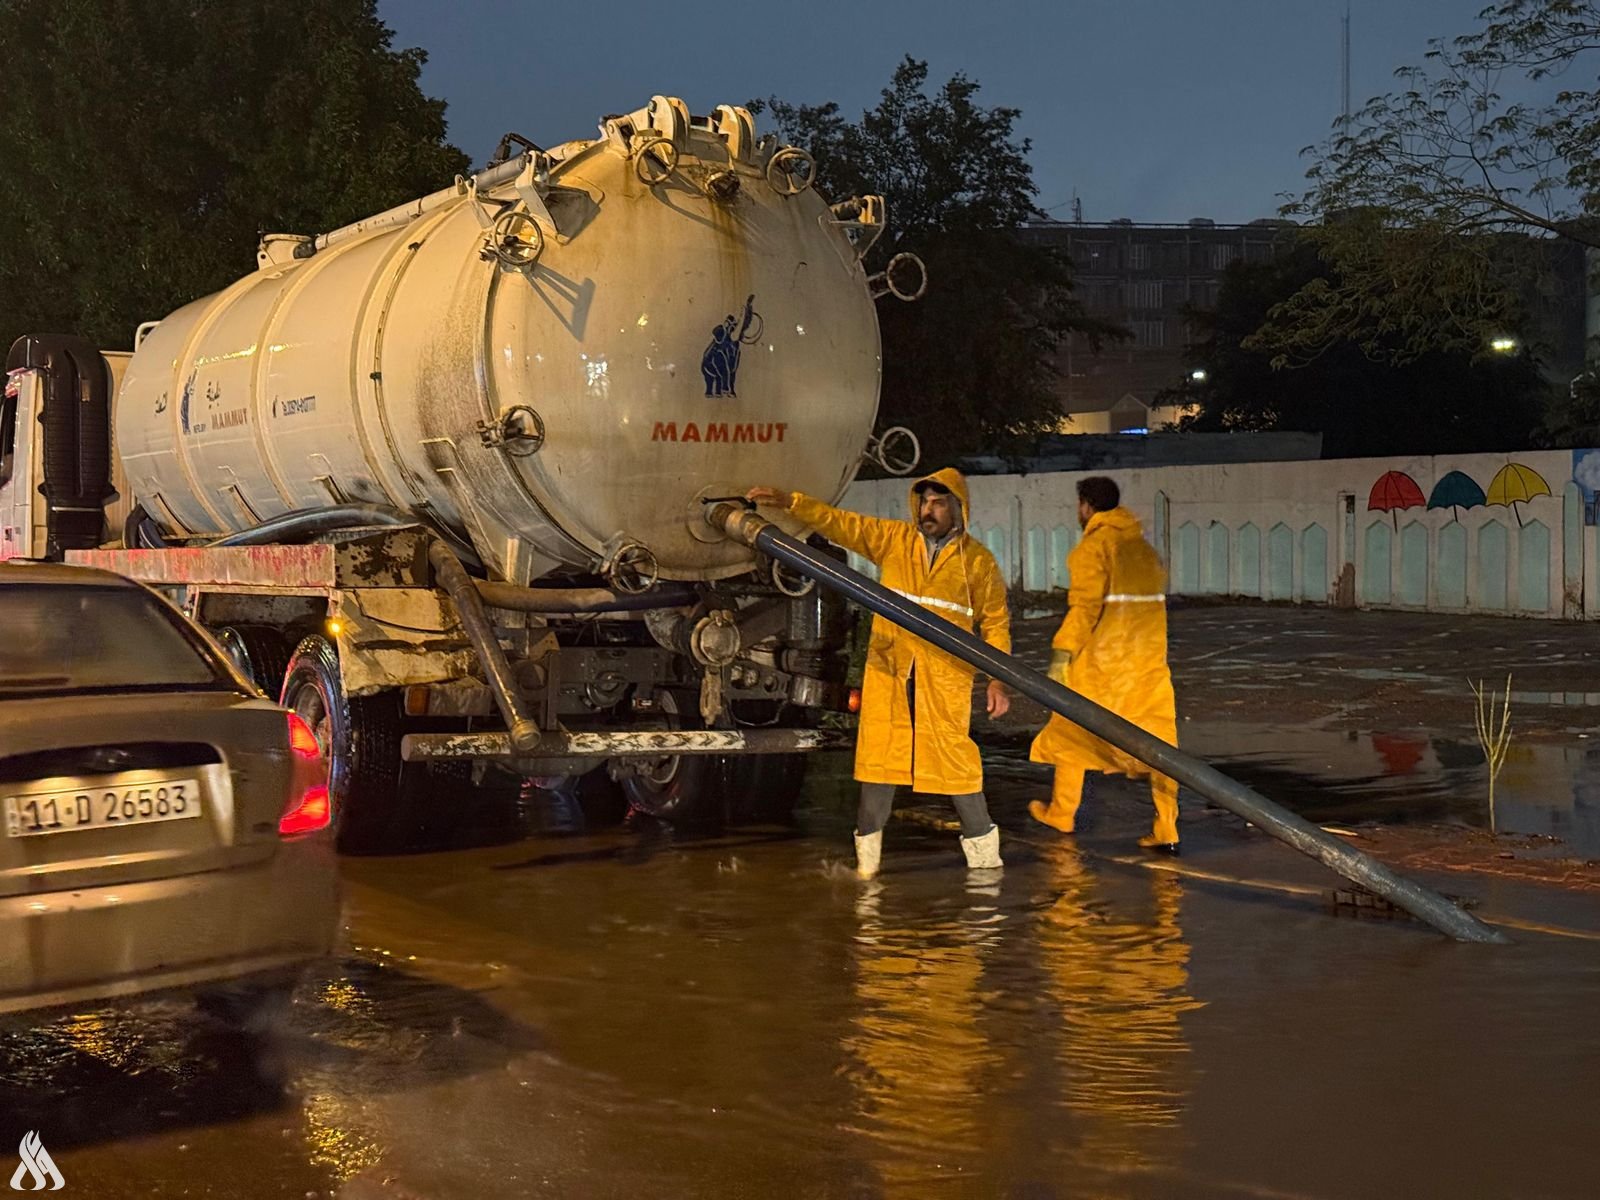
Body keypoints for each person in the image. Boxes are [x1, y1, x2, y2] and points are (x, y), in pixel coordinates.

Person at [747, 469, 1011, 877]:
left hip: (942, 681)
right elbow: (843, 524)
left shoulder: (977, 562)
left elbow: (995, 622)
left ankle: (986, 865)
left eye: (938, 503)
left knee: (957, 766)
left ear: (958, 508)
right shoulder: (894, 541)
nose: (928, 510)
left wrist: (998, 679)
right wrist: (792, 502)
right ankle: (866, 870)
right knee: (878, 767)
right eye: (924, 502)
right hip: (891, 673)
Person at [1028, 476, 1181, 853]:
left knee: (1070, 730)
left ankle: (1062, 812)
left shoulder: (1093, 548)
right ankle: (1167, 827)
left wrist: (1062, 654)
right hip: (1147, 664)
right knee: (1162, 748)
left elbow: (1084, 608)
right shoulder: (1143, 549)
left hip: (1105, 666)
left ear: (1086, 506)